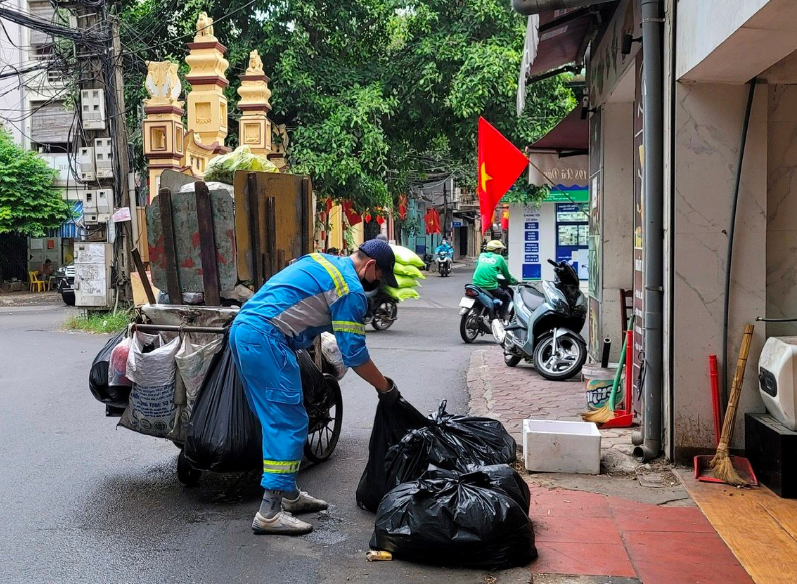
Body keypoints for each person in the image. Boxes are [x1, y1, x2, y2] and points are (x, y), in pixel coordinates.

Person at [229, 240, 401, 536]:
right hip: (267, 338)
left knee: (276, 419)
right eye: (380, 276)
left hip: (246, 330)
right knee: (289, 421)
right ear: (371, 265)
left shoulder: (323, 260)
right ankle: (269, 512)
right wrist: (385, 388)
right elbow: (356, 356)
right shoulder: (350, 289)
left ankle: (290, 496)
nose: (378, 283)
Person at [473, 240, 517, 321]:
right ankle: (501, 318)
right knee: (507, 298)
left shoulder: (481, 255)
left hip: (476, 284)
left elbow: (478, 267)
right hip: (490, 286)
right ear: (496, 250)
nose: (501, 251)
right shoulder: (499, 258)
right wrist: (514, 281)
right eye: (500, 249)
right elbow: (506, 274)